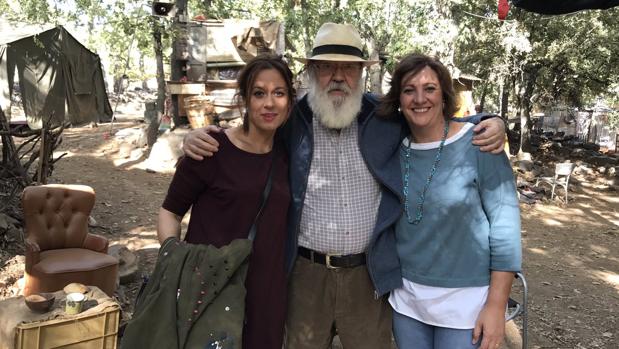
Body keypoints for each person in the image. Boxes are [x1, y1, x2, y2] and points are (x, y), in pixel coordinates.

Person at [182, 23, 508, 349]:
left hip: (367, 276)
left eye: (349, 68)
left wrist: (489, 121)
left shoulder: (382, 116)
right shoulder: (289, 120)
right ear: (311, 71)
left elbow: (433, 120)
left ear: (361, 73)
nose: (338, 77)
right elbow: (250, 133)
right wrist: (200, 134)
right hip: (305, 276)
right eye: (327, 67)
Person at [376, 53, 521, 349]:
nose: (419, 98)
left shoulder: (479, 143)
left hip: (467, 302)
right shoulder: (391, 147)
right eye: (408, 90)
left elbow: (505, 228)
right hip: (407, 300)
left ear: (443, 95)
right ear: (398, 99)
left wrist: (496, 306)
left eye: (429, 88)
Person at [157, 54, 294, 349]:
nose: (269, 103)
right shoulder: (211, 149)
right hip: (211, 288)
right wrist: (174, 261)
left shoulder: (288, 153)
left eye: (279, 93)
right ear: (244, 100)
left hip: (266, 297)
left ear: (289, 102)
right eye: (259, 93)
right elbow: (169, 212)